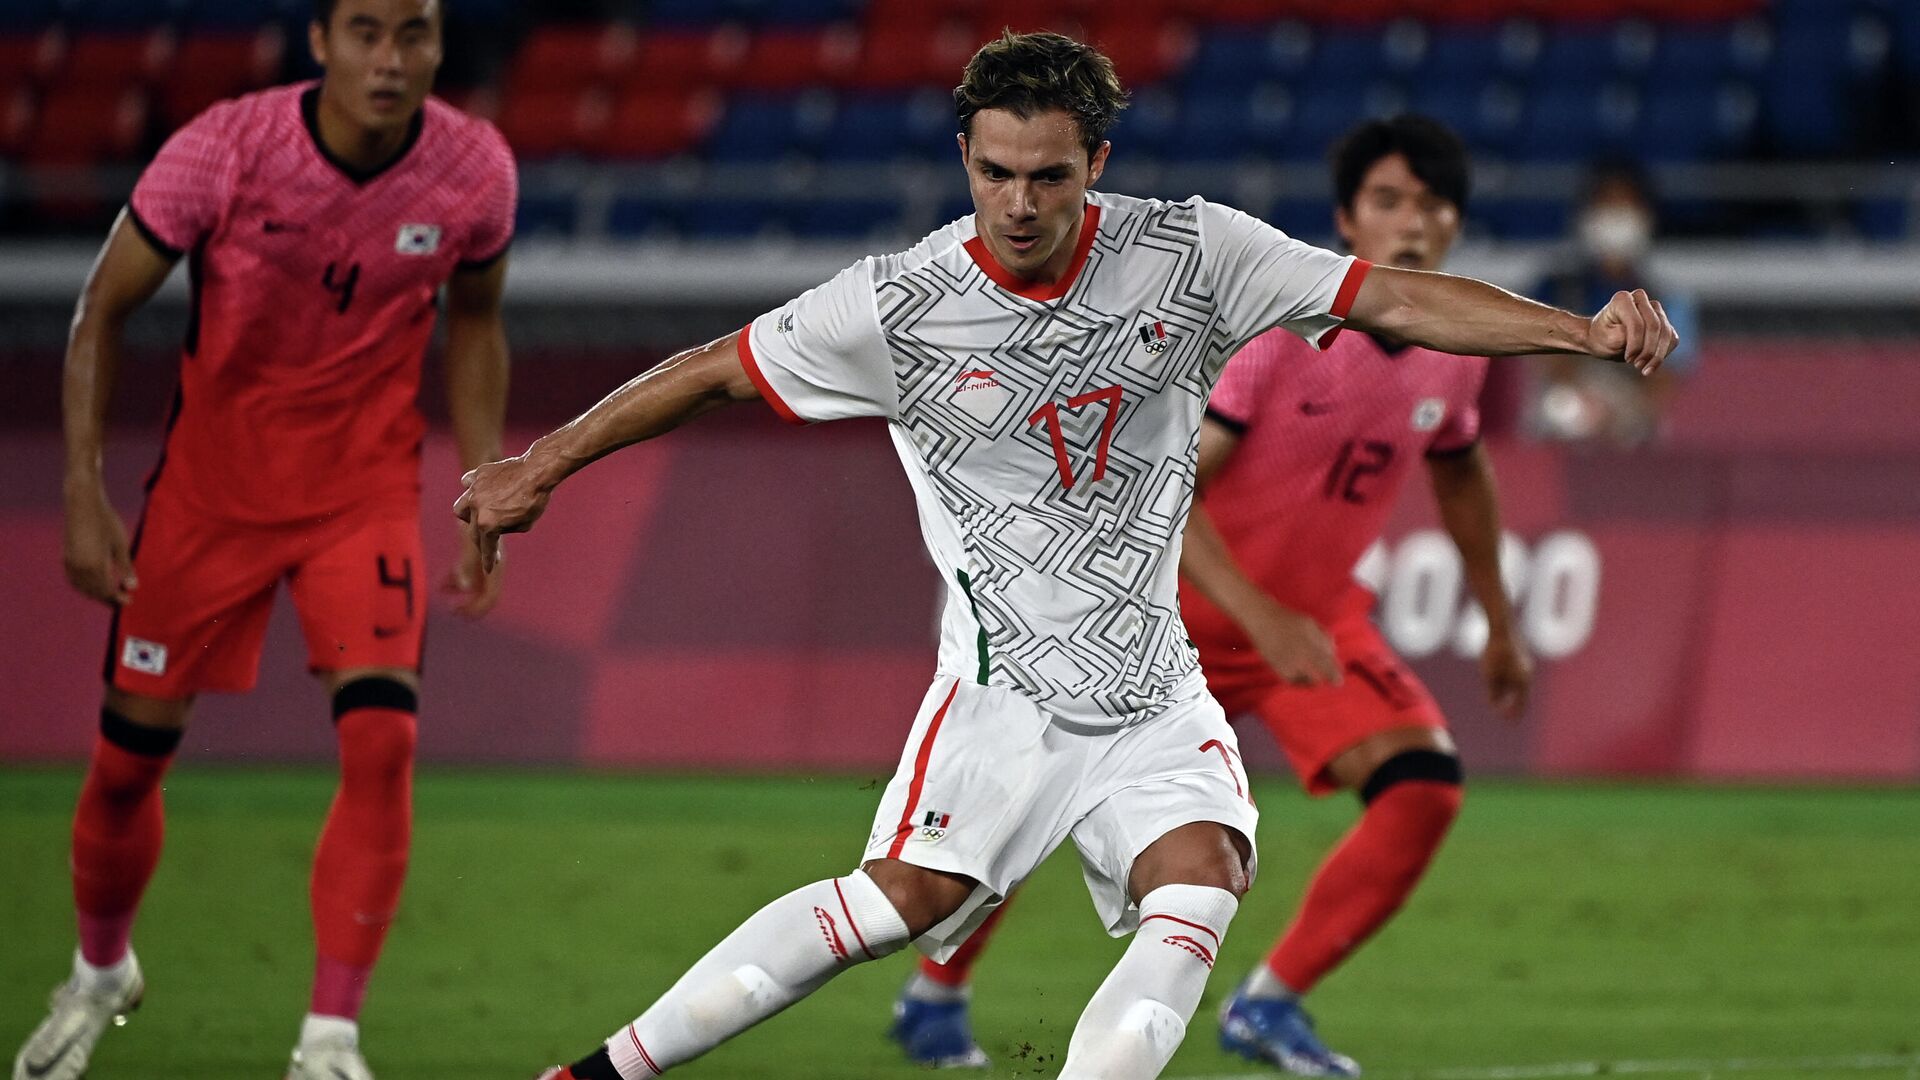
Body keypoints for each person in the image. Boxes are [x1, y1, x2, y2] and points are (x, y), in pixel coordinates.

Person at [456, 32, 1673, 1080]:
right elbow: (715, 370)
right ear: (964, 162)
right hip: (1006, 695)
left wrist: (1582, 332)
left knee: (1201, 881)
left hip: (1152, 681)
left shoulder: (1195, 255)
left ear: (1097, 163)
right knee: (903, 905)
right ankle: (605, 1067)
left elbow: (1391, 300)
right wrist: (541, 463)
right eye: (994, 173)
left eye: (1048, 175)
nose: (1020, 203)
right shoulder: (899, 305)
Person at [886, 115, 1528, 1078]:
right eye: (1389, 201)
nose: (1413, 225)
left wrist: (1500, 622)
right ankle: (934, 997)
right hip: (1164, 628)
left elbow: (1461, 473)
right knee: (1031, 806)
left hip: (1311, 626)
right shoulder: (1277, 341)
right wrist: (1262, 618)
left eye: (1433, 208)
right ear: (1348, 219)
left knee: (1422, 790)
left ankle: (1268, 1005)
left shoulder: (1453, 347)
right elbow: (1165, 492)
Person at [12, 2, 516, 1078]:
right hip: (210, 496)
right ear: (320, 41)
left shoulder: (475, 171)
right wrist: (83, 490)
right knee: (122, 770)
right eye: (368, 31)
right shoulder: (223, 151)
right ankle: (100, 972)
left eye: (416, 33)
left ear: (439, 44)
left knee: (383, 744)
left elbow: (476, 320)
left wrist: (484, 484)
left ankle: (328, 1044)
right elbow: (100, 309)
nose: (393, 59)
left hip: (363, 492)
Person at [1527, 160, 1700, 446]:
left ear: (1645, 217)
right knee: (1561, 409)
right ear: (1587, 215)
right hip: (1571, 406)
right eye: (1607, 204)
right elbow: (1547, 363)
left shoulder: (1668, 300)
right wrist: (1588, 401)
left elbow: (1664, 381)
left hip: (1630, 413)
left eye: (1625, 206)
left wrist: (1624, 410)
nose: (1616, 216)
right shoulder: (1555, 288)